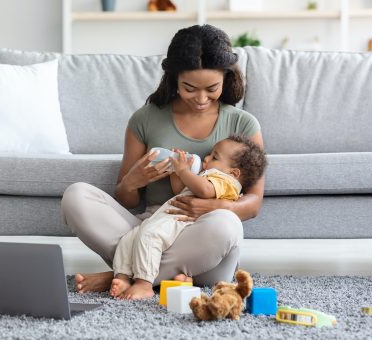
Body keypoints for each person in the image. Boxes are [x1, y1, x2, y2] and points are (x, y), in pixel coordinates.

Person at [61, 24, 265, 296]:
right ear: (173, 79)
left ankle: (123, 276)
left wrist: (208, 206)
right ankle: (156, 276)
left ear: (226, 79)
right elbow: (126, 200)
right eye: (189, 88)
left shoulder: (243, 124)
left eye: (212, 88)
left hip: (204, 242)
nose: (201, 99)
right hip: (151, 225)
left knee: (227, 226)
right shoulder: (145, 119)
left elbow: (252, 204)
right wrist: (132, 181)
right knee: (76, 196)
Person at [110, 136, 267, 299]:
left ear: (233, 173)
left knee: (149, 236)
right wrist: (176, 174)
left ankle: (144, 284)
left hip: (180, 220)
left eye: (214, 157)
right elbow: (182, 192)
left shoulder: (226, 182)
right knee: (129, 239)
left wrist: (184, 170)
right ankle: (122, 278)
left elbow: (205, 191)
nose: (206, 159)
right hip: (169, 217)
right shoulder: (209, 177)